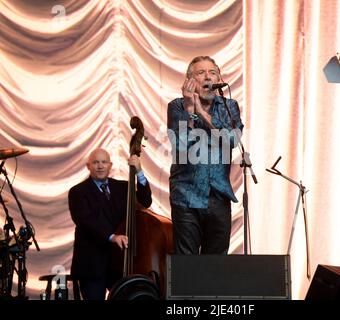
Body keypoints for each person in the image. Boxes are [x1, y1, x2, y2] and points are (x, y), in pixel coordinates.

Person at [167, 56, 243, 255]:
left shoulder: (229, 106)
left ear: (219, 77)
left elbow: (232, 140)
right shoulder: (176, 106)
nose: (208, 77)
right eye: (201, 73)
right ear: (189, 81)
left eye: (212, 72)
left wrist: (201, 112)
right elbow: (181, 146)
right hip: (186, 196)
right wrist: (190, 111)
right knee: (186, 264)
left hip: (218, 196)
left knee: (216, 264)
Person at [68, 148, 152, 300]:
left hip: (120, 263)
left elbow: (145, 201)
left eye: (104, 162)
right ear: (88, 166)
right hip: (92, 265)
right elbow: (85, 221)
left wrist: (139, 171)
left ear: (110, 165)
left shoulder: (123, 187)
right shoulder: (77, 192)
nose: (100, 166)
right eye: (95, 162)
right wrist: (112, 237)